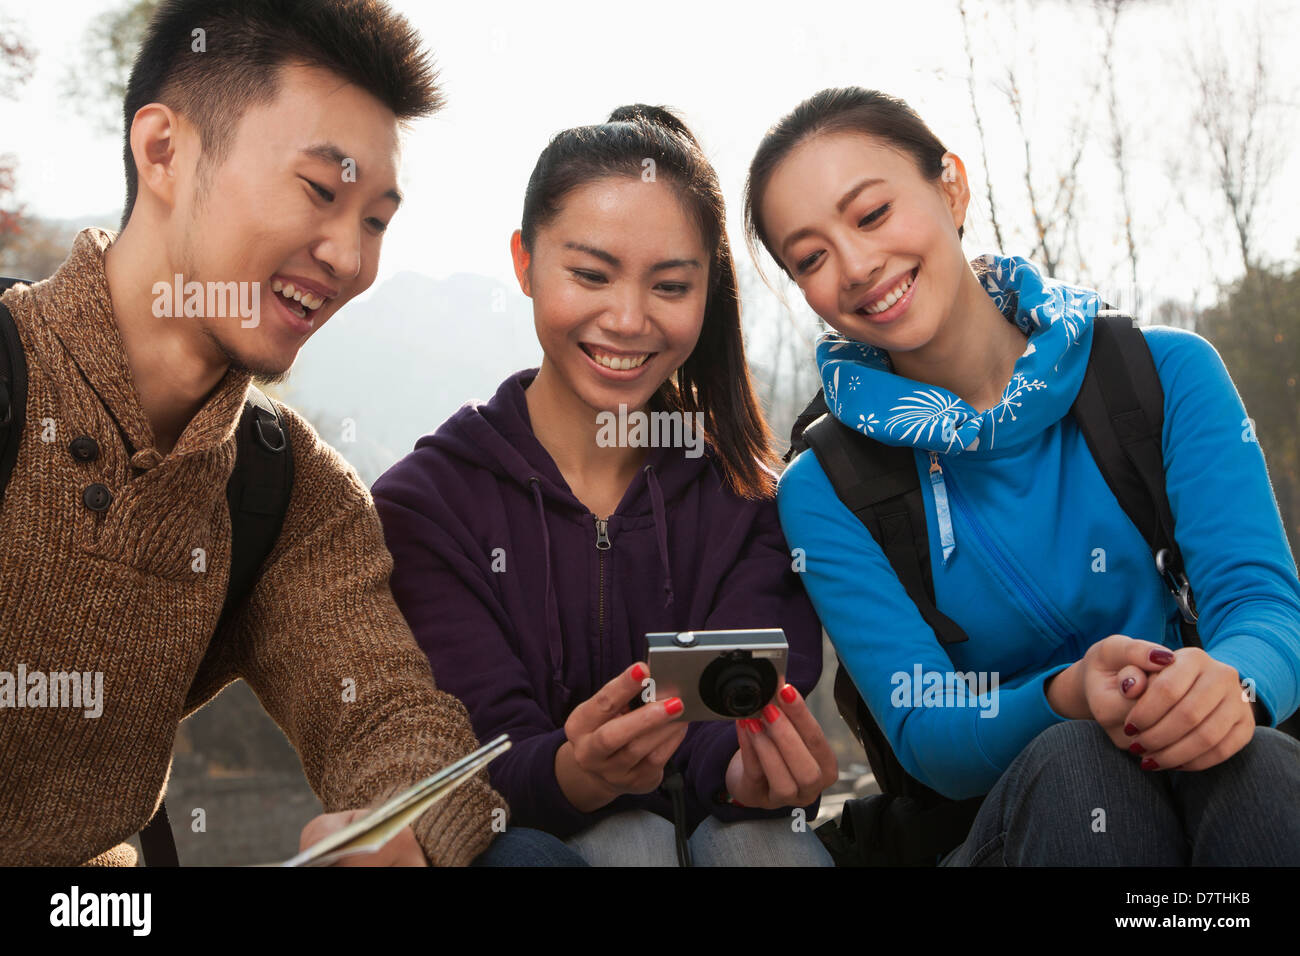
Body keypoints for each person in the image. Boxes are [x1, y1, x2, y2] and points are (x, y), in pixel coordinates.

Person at [0, 0, 573, 867]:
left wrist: (399, 830)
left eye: (376, 219)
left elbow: (392, 719)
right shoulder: (17, 375)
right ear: (163, 150)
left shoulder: (281, 489)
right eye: (320, 191)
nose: (350, 258)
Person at [744, 86, 1300, 865]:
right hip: (1000, 831)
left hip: (1214, 779)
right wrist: (1067, 696)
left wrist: (1234, 684)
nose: (858, 264)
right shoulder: (825, 487)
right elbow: (925, 729)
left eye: (871, 214)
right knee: (1080, 767)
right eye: (811, 257)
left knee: (1264, 767)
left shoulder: (1164, 375)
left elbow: (1265, 606)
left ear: (952, 186)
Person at [373, 104, 837, 867]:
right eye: (590, 274)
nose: (627, 319)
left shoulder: (753, 497)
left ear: (707, 289)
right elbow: (477, 758)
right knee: (625, 837)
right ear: (524, 263)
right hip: (541, 847)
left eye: (670, 286)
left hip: (736, 839)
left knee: (768, 847)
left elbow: (733, 714)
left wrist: (753, 772)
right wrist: (574, 773)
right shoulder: (427, 506)